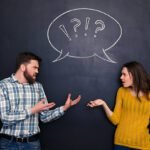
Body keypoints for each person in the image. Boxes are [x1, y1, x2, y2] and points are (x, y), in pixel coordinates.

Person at [0, 52, 81, 150]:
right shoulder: (3, 86)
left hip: (32, 144)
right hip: (9, 144)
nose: (37, 71)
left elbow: (44, 117)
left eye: (38, 68)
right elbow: (5, 119)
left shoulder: (38, 87)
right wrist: (33, 110)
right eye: (34, 67)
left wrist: (64, 108)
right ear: (23, 67)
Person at [87, 61, 150, 150]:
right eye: (121, 74)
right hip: (121, 143)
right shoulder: (121, 91)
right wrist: (103, 103)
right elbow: (115, 120)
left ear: (134, 75)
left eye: (124, 74)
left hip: (143, 145)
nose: (121, 77)